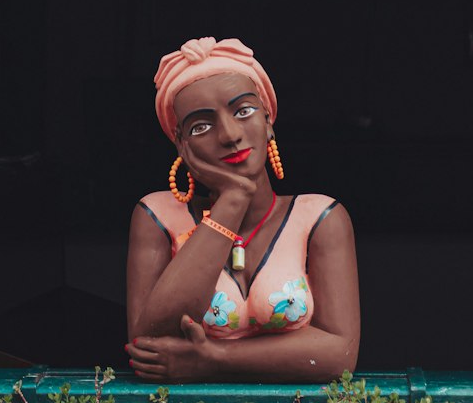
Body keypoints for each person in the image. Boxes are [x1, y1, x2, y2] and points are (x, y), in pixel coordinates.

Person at [126, 37, 360, 382]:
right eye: (201, 126)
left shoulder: (319, 218)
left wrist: (213, 358)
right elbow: (150, 346)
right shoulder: (157, 217)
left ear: (268, 121)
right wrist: (233, 199)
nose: (230, 134)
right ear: (181, 143)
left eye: (243, 111)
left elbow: (338, 353)